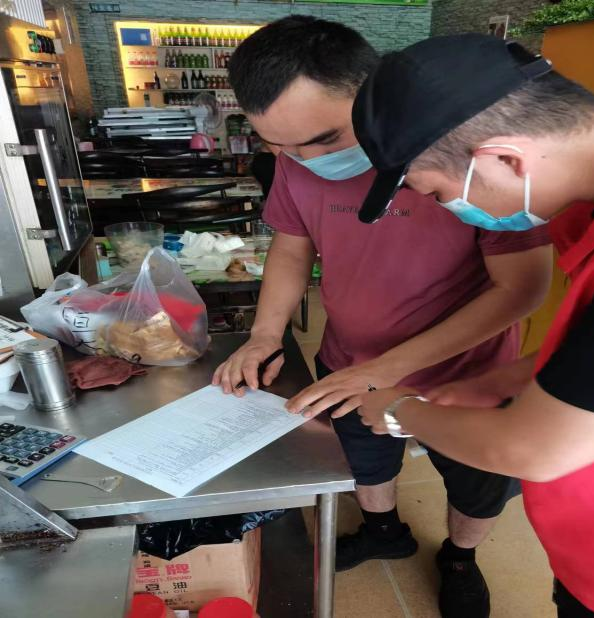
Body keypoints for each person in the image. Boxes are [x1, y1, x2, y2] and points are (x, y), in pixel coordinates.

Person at [213, 18, 552, 616]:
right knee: (365, 461)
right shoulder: (296, 159)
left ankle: (460, 557)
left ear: (378, 93)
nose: (306, 160)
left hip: (467, 373)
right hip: (349, 358)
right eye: (280, 146)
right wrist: (264, 335)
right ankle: (384, 531)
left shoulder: (460, 154)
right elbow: (292, 246)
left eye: (323, 139)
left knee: (476, 483)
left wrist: (388, 370)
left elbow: (521, 289)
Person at [350, 33, 594, 617]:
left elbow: (531, 449)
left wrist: (401, 411)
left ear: (506, 159)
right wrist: (503, 380)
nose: (451, 210)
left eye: (439, 193)